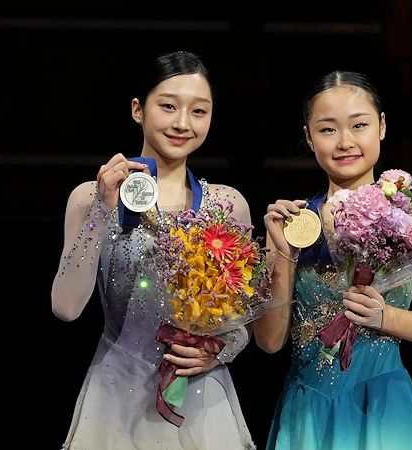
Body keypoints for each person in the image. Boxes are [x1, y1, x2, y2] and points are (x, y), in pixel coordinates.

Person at [253, 70, 412, 450]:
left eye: (359, 125)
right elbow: (269, 342)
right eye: (328, 130)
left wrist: (386, 318)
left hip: (385, 408)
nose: (345, 142)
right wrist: (283, 256)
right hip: (308, 412)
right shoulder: (291, 226)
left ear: (382, 126)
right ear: (308, 136)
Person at [51, 50, 256, 450]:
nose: (183, 123)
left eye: (199, 111)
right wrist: (101, 210)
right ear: (137, 110)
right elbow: (66, 307)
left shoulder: (228, 204)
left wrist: (219, 349)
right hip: (116, 395)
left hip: (201, 396)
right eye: (168, 106)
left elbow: (242, 321)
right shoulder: (89, 197)